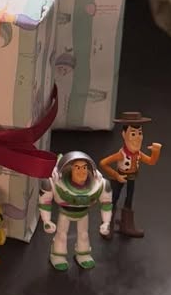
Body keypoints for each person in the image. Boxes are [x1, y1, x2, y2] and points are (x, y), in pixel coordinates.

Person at [39, 151, 112, 271]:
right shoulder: (55, 183)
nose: (82, 171)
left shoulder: (100, 184)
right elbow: (45, 201)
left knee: (84, 235)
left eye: (84, 168)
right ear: (70, 169)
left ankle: (83, 254)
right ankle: (57, 255)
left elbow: (106, 203)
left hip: (83, 213)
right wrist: (46, 220)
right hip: (65, 213)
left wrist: (106, 222)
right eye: (77, 168)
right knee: (61, 234)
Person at [99, 110, 162, 238]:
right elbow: (103, 163)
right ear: (124, 135)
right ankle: (107, 224)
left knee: (129, 199)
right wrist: (116, 175)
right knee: (113, 199)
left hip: (132, 177)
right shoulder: (121, 154)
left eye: (140, 133)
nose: (137, 138)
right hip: (119, 177)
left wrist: (156, 151)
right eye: (133, 134)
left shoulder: (138, 154)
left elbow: (151, 161)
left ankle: (126, 224)